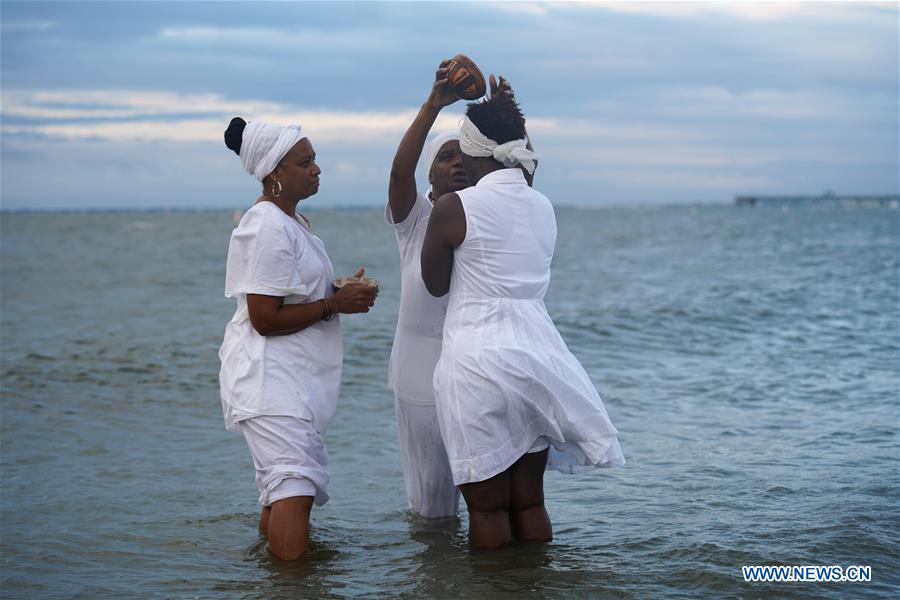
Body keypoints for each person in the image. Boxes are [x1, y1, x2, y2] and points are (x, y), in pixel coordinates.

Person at [421, 78, 625, 549]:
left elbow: (435, 285)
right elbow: (520, 173)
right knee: (529, 503)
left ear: (472, 153)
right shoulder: (542, 205)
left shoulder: (455, 208)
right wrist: (511, 112)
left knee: (488, 509)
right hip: (536, 357)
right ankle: (537, 584)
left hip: (476, 363)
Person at [219, 118, 379, 560]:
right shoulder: (267, 224)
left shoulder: (291, 221)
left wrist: (339, 291)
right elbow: (264, 317)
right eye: (305, 162)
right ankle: (292, 584)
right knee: (294, 485)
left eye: (315, 160)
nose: (317, 170)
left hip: (288, 381)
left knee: (282, 488)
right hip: (271, 381)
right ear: (274, 173)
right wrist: (333, 305)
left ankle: (273, 581)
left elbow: (288, 294)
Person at [384, 59, 469, 519]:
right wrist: (434, 104)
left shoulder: (482, 216)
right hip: (418, 374)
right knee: (432, 508)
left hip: (473, 370)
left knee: (488, 498)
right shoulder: (414, 219)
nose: (456, 164)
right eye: (445, 157)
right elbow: (400, 174)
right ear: (431, 173)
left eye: (463, 156)